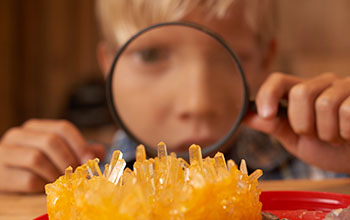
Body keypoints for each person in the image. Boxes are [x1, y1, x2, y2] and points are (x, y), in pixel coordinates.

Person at [0, 0, 349, 193]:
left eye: (229, 58)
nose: (197, 104)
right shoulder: (71, 182)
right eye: (152, 56)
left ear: (265, 63)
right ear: (109, 66)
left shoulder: (325, 167)